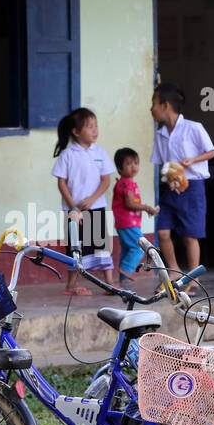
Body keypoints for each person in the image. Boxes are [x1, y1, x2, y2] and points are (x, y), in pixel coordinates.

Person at [150, 82, 214, 289]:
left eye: (154, 103)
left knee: (190, 235)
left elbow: (211, 151)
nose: (151, 108)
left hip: (193, 186)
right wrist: (169, 177)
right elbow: (161, 162)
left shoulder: (193, 128)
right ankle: (174, 272)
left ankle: (193, 277)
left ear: (165, 105)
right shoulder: (160, 134)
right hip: (171, 187)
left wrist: (193, 160)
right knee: (162, 233)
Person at [51, 108, 114, 295]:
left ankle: (109, 283)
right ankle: (71, 286)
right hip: (74, 210)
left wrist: (92, 199)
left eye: (96, 126)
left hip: (97, 207)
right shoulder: (68, 154)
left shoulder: (100, 152)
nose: (95, 130)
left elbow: (106, 180)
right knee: (75, 247)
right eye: (90, 127)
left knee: (101, 245)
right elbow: (61, 183)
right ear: (76, 132)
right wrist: (74, 208)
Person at [111, 147, 157, 291]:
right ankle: (126, 269)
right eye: (129, 163)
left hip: (124, 223)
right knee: (140, 247)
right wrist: (146, 207)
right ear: (119, 168)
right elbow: (130, 204)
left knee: (127, 248)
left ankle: (124, 279)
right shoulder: (126, 183)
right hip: (128, 223)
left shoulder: (126, 183)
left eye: (136, 163)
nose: (134, 166)